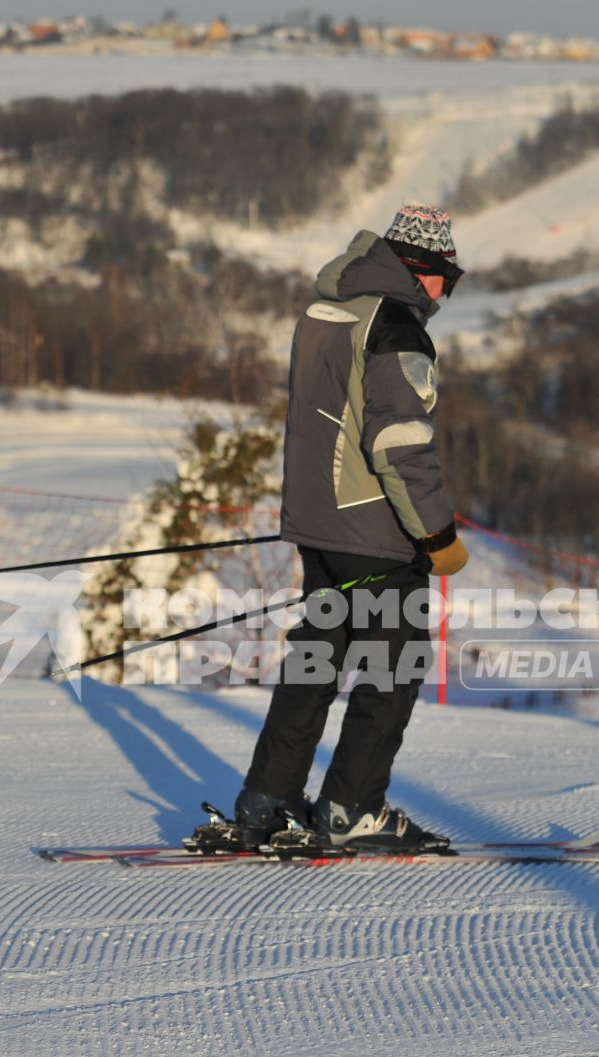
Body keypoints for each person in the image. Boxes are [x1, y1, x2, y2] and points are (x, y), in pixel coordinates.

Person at [210, 202, 470, 854]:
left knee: (316, 663)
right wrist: (437, 535)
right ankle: (354, 807)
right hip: (377, 533)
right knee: (391, 668)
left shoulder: (324, 313)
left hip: (318, 526)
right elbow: (400, 445)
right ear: (422, 268)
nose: (445, 292)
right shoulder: (396, 327)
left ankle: (266, 801)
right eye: (448, 276)